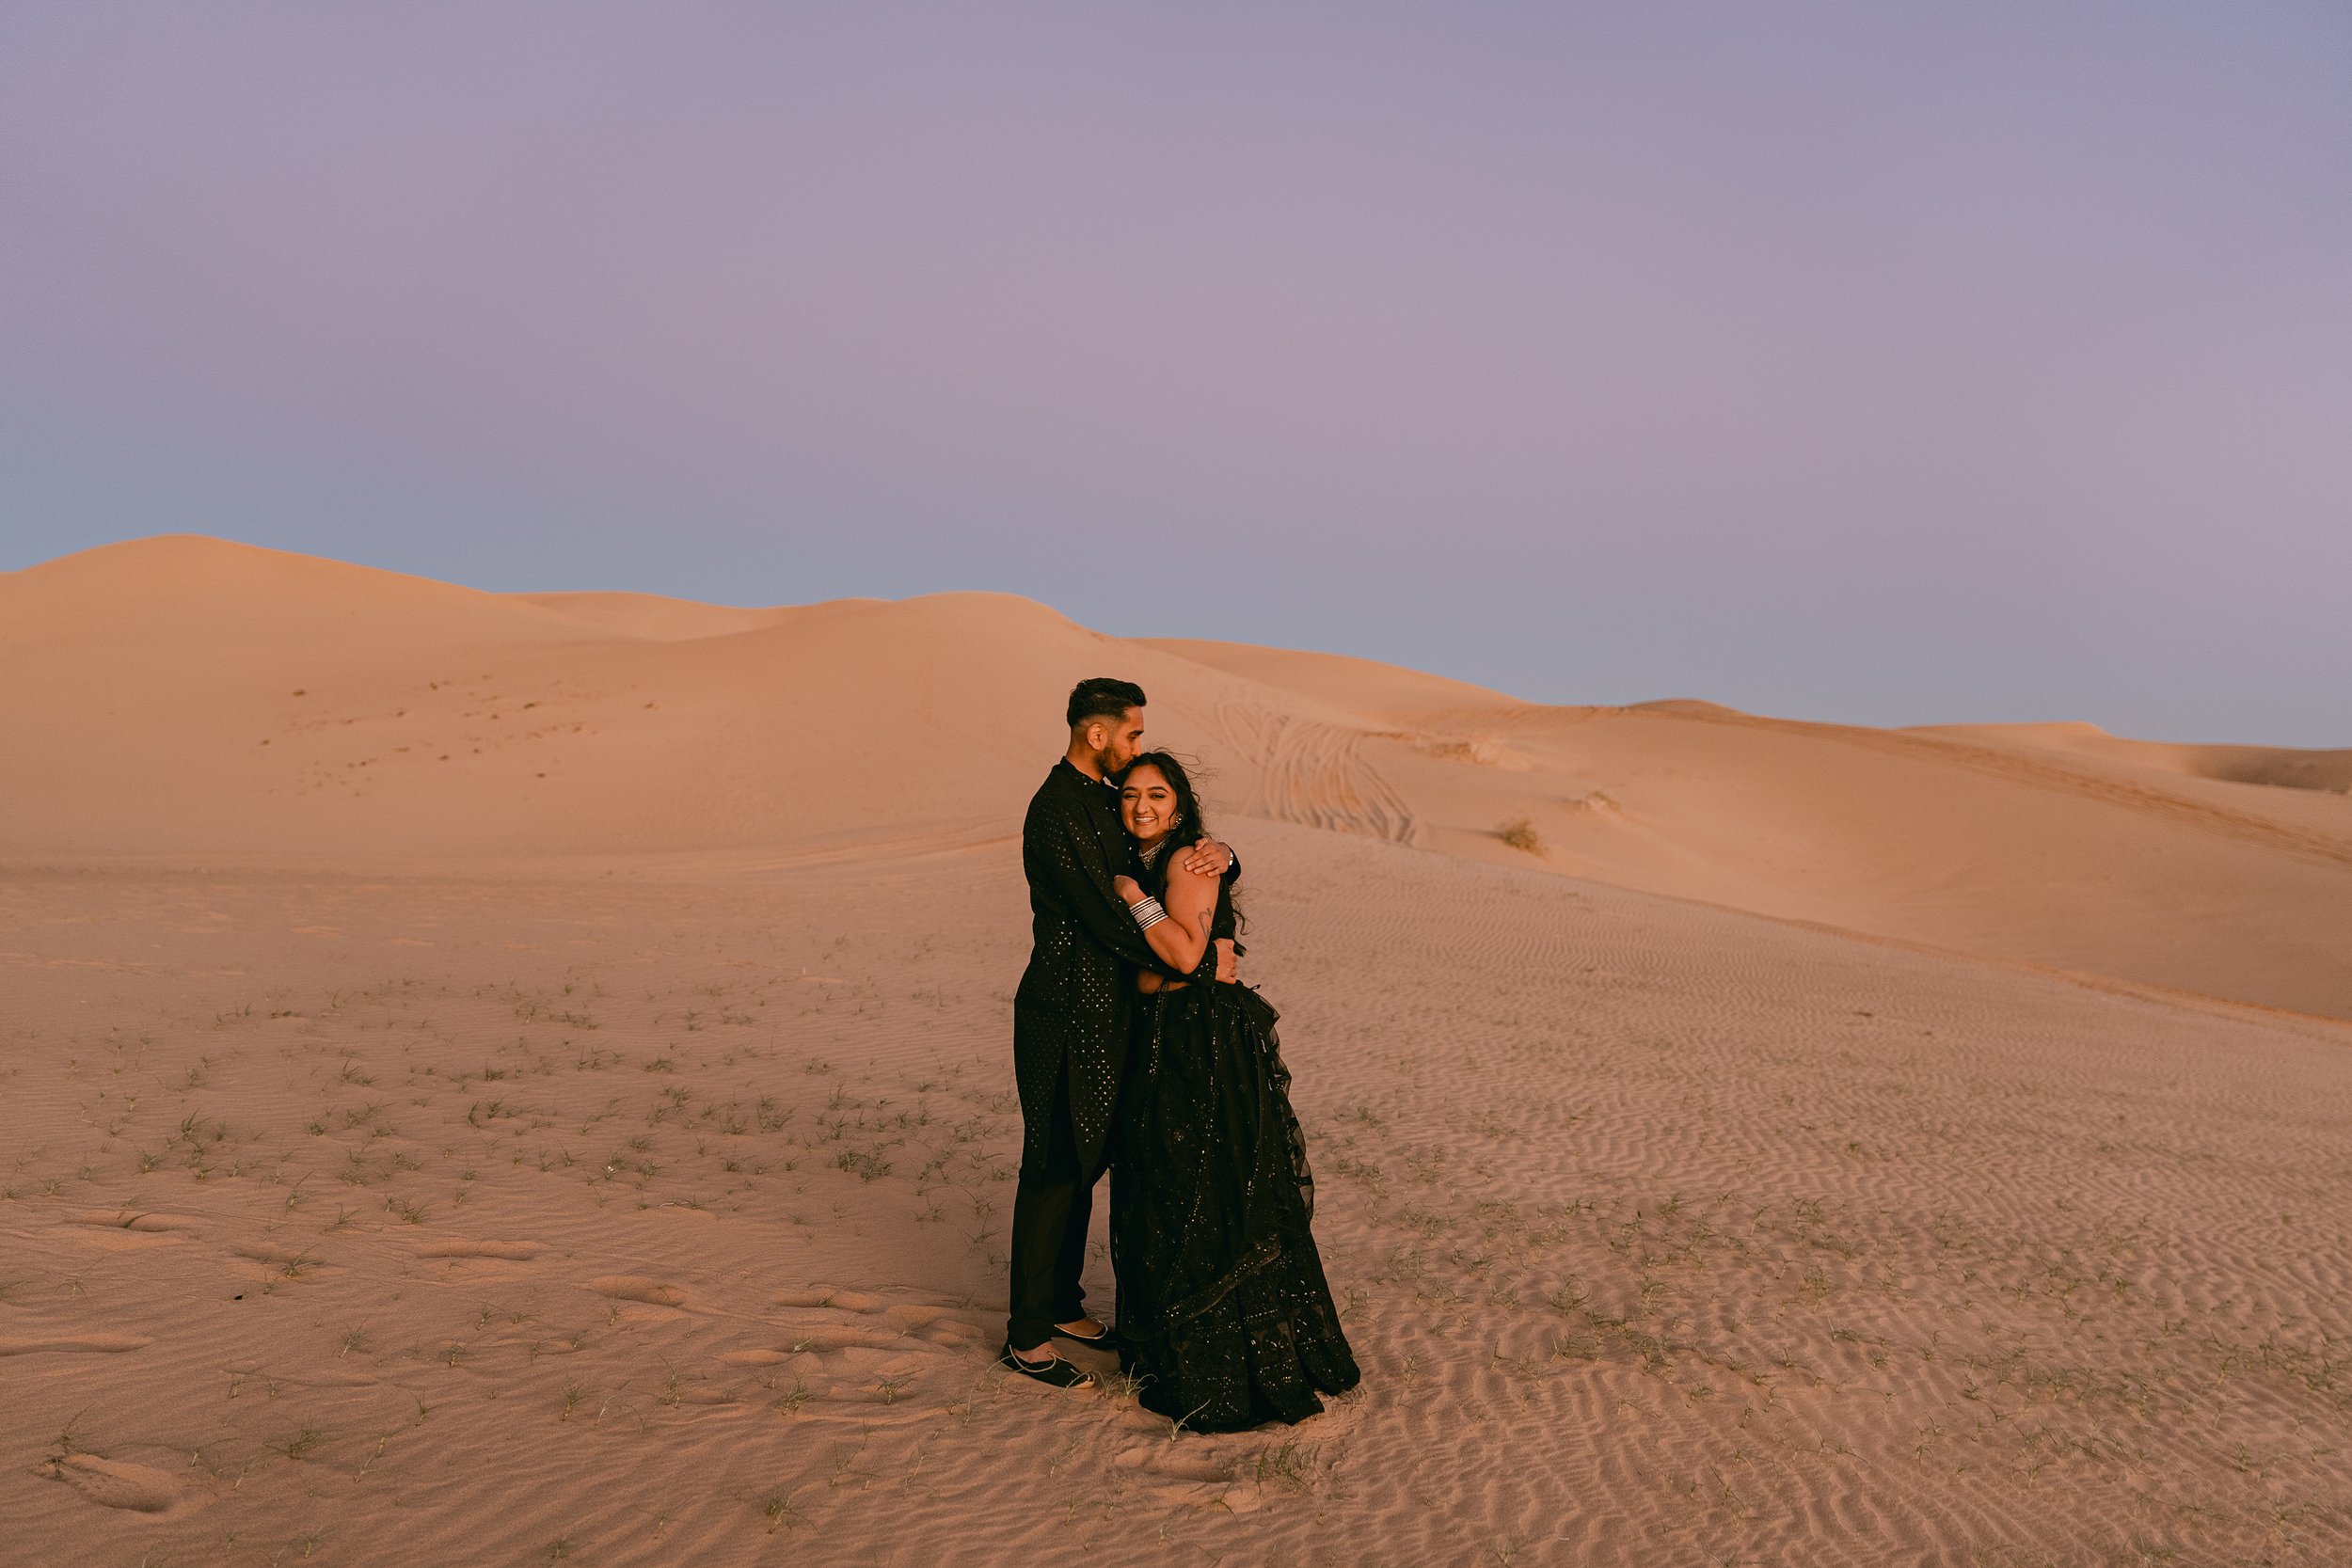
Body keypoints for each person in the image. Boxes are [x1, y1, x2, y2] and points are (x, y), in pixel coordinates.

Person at [1106, 751, 1359, 1431]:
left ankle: (1223, 1365)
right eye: (1130, 794)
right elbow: (1171, 963)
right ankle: (1182, 1347)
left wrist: (1131, 896)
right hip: (1168, 1036)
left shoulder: (1186, 860)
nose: (1141, 806)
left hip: (1200, 1043)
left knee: (1206, 1191)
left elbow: (1188, 955)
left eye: (1157, 794)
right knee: (1173, 1187)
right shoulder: (1158, 856)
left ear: (1179, 807)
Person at [1001, 679, 1236, 1386]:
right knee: (1054, 1165)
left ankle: (1062, 1303)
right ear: (1097, 733)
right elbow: (1106, 917)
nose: (1137, 748)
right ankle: (1026, 1339)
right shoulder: (1056, 809)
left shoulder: (1105, 798)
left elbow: (1158, 850)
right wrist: (1199, 963)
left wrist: (1223, 857)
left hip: (1109, 1015)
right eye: (1132, 734)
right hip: (1062, 1013)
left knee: (1088, 1159)